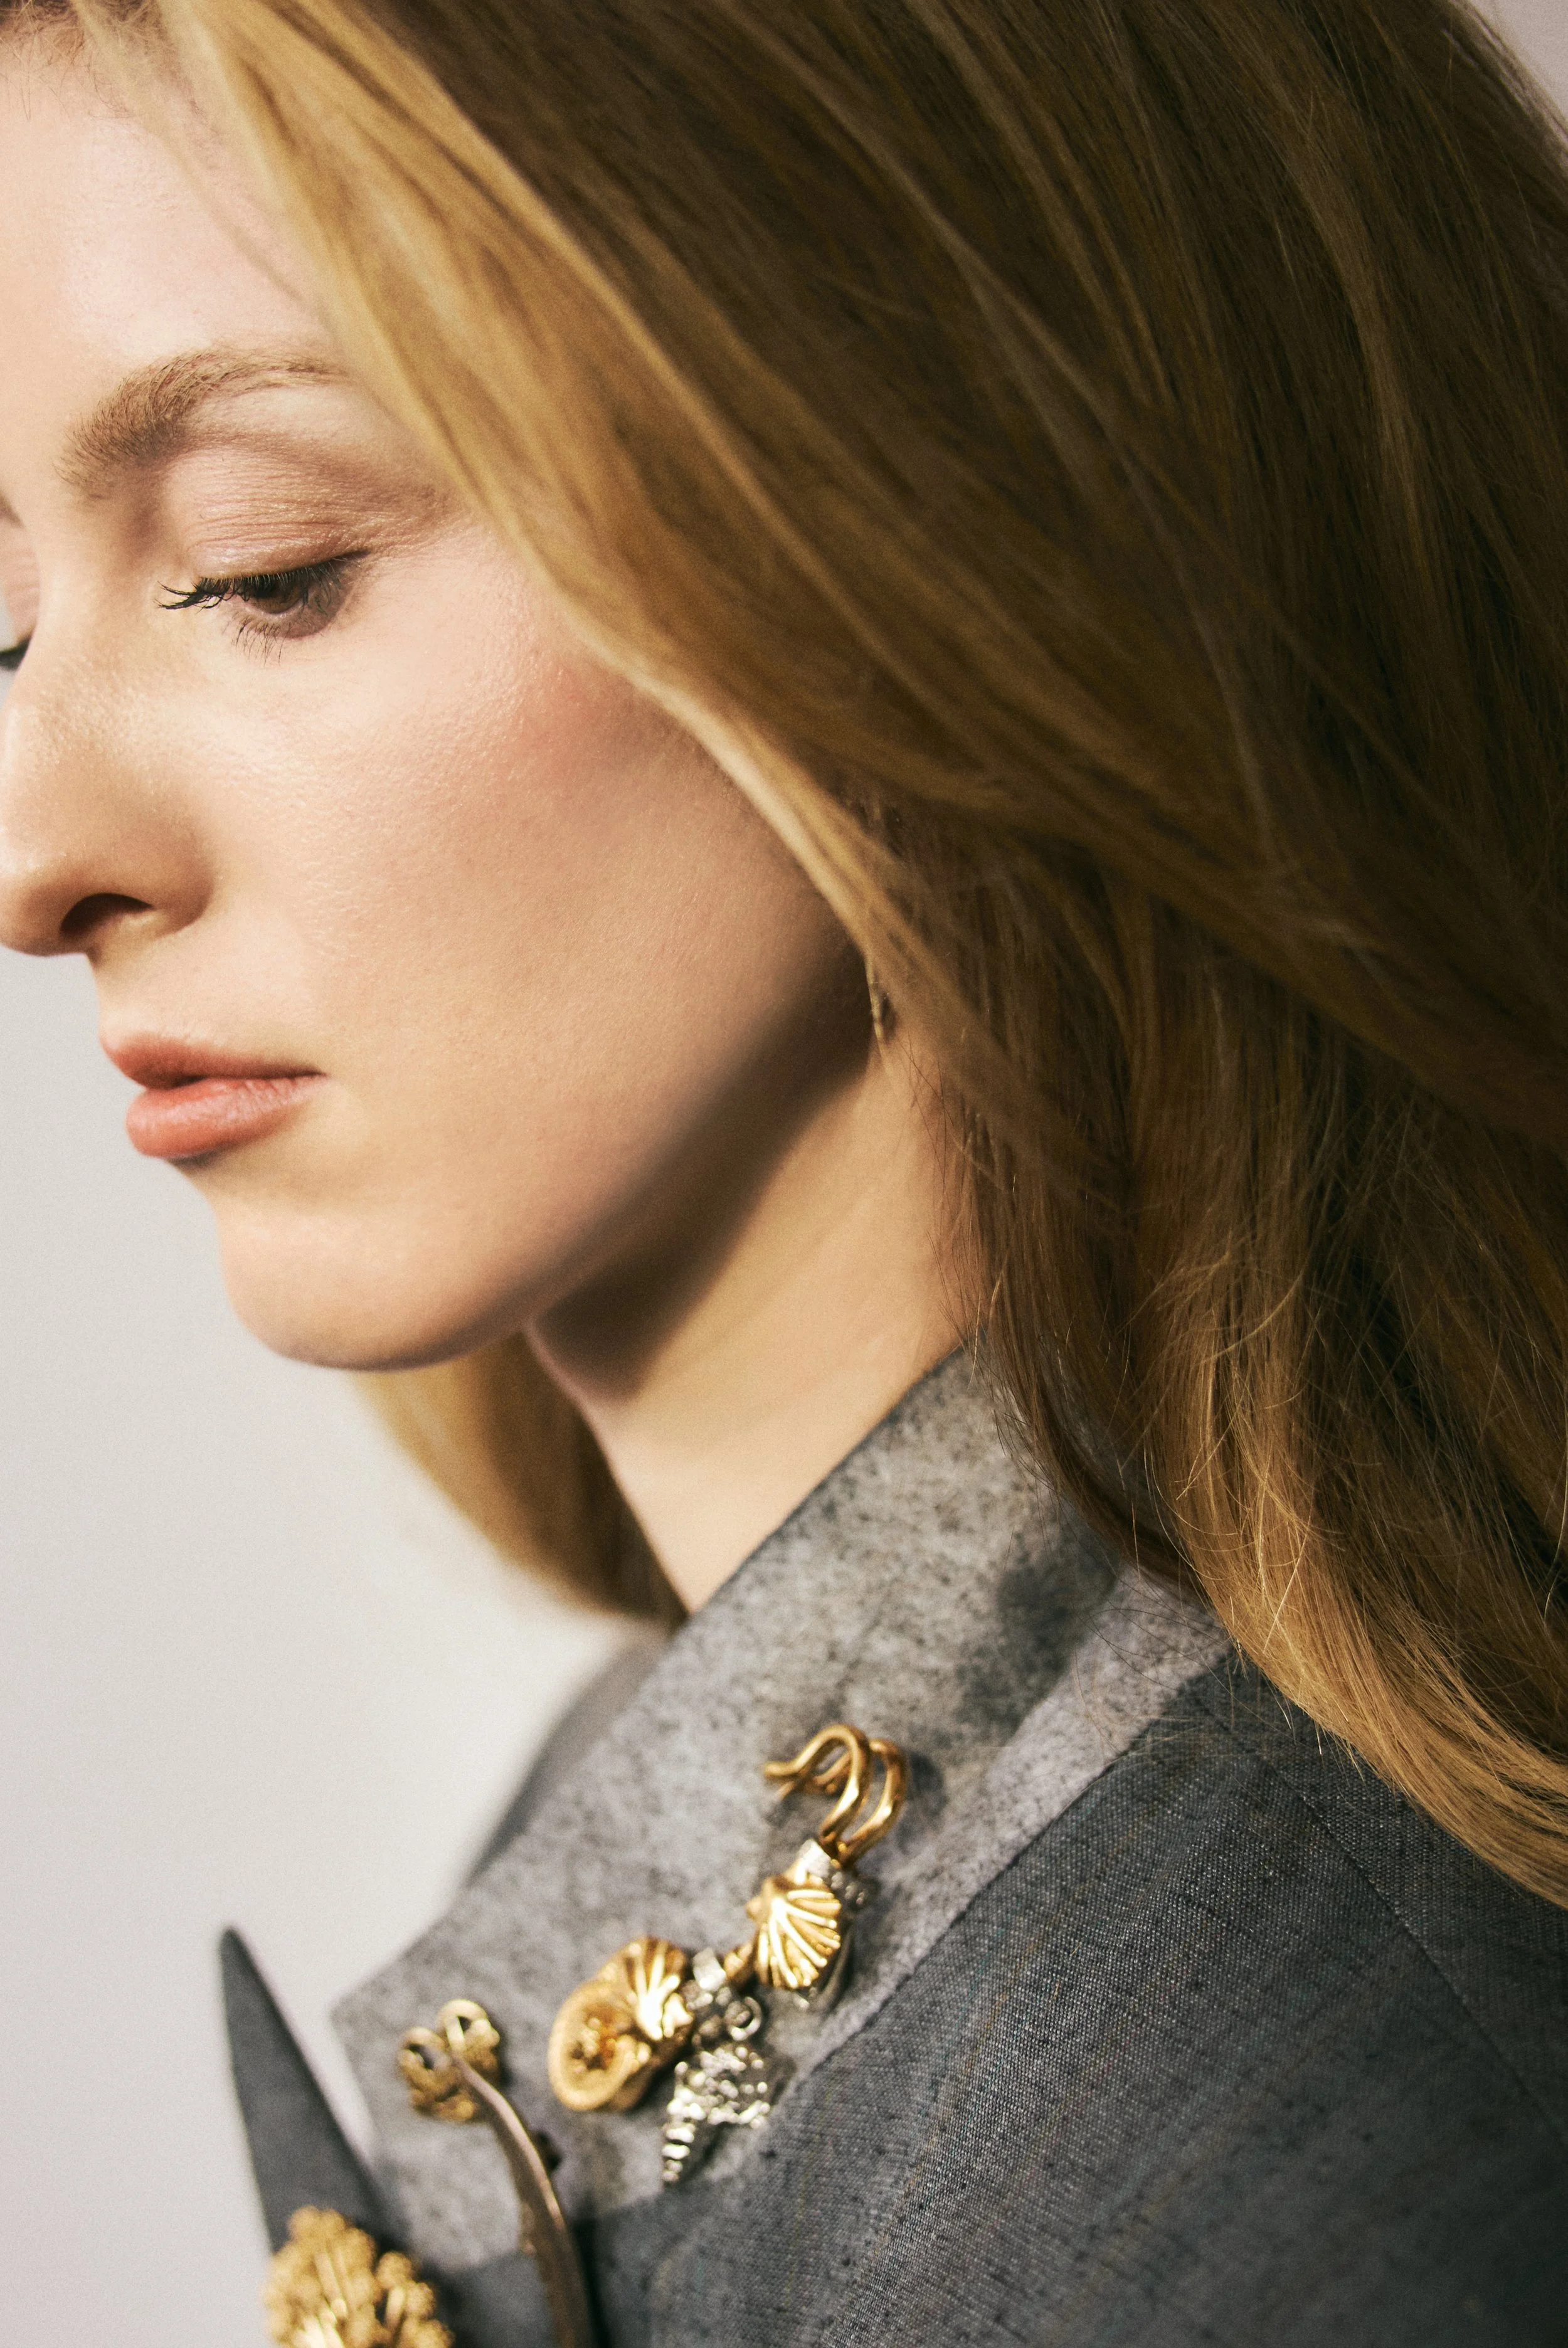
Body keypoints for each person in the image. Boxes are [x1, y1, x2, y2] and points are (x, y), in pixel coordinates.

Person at [1, 0, 1565, 2340]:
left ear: (950, 499)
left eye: (263, 561)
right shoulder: (673, 1829)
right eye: (2, 609)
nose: (40, 855)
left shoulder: (1317, 2197)